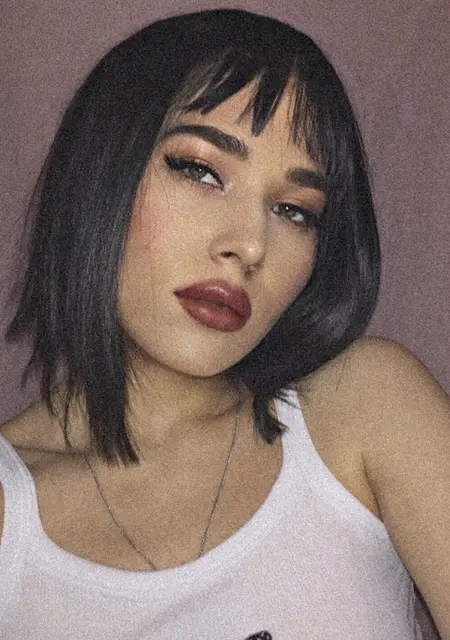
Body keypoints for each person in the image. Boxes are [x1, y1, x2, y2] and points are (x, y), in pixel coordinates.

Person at [0, 8, 448, 639]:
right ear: (101, 171)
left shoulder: (363, 409)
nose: (249, 245)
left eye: (294, 210)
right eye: (201, 170)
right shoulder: (12, 516)